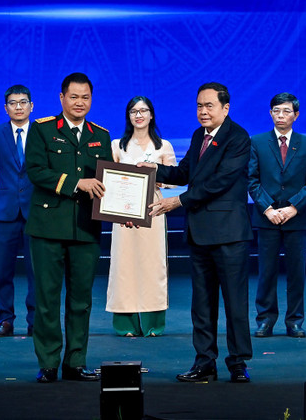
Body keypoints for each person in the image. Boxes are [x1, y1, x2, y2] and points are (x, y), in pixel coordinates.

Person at [149, 82, 253, 383]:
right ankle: (204, 361)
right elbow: (185, 173)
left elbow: (219, 182)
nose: (203, 111)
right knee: (202, 304)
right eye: (199, 106)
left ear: (225, 108)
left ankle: (238, 362)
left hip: (229, 234)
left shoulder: (238, 137)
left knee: (235, 303)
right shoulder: (199, 136)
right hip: (199, 234)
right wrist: (153, 169)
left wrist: (178, 201)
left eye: (209, 105)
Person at [24, 72, 112, 383]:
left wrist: (125, 209)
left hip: (86, 228)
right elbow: (35, 171)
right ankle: (48, 363)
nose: (79, 102)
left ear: (92, 99)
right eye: (73, 97)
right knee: (47, 298)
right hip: (48, 227)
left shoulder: (101, 135)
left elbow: (108, 183)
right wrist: (77, 183)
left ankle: (75, 362)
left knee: (81, 300)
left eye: (85, 97)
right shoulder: (43, 129)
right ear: (62, 98)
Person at [248, 93, 306, 339]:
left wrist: (293, 207)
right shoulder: (257, 142)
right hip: (267, 218)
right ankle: (265, 321)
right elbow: (252, 180)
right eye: (276, 111)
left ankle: (295, 321)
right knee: (266, 273)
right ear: (270, 113)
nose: (281, 115)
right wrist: (268, 209)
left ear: (296, 115)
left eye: (286, 111)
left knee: (296, 273)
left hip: (296, 219)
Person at [106, 96, 176, 337]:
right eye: (134, 111)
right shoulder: (117, 145)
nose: (139, 115)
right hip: (123, 211)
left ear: (151, 115)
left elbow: (173, 179)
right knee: (123, 264)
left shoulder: (163, 146)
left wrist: (156, 176)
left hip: (152, 211)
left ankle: (152, 323)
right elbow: (109, 177)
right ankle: (125, 324)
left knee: (152, 264)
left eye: (143, 111)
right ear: (128, 116)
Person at [0, 85, 36, 338]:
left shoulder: (41, 133)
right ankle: (5, 320)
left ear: (31, 106)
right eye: (13, 103)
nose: (18, 107)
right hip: (3, 213)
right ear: (6, 108)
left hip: (36, 212)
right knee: (3, 271)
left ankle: (36, 321)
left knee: (38, 272)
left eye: (23, 102)